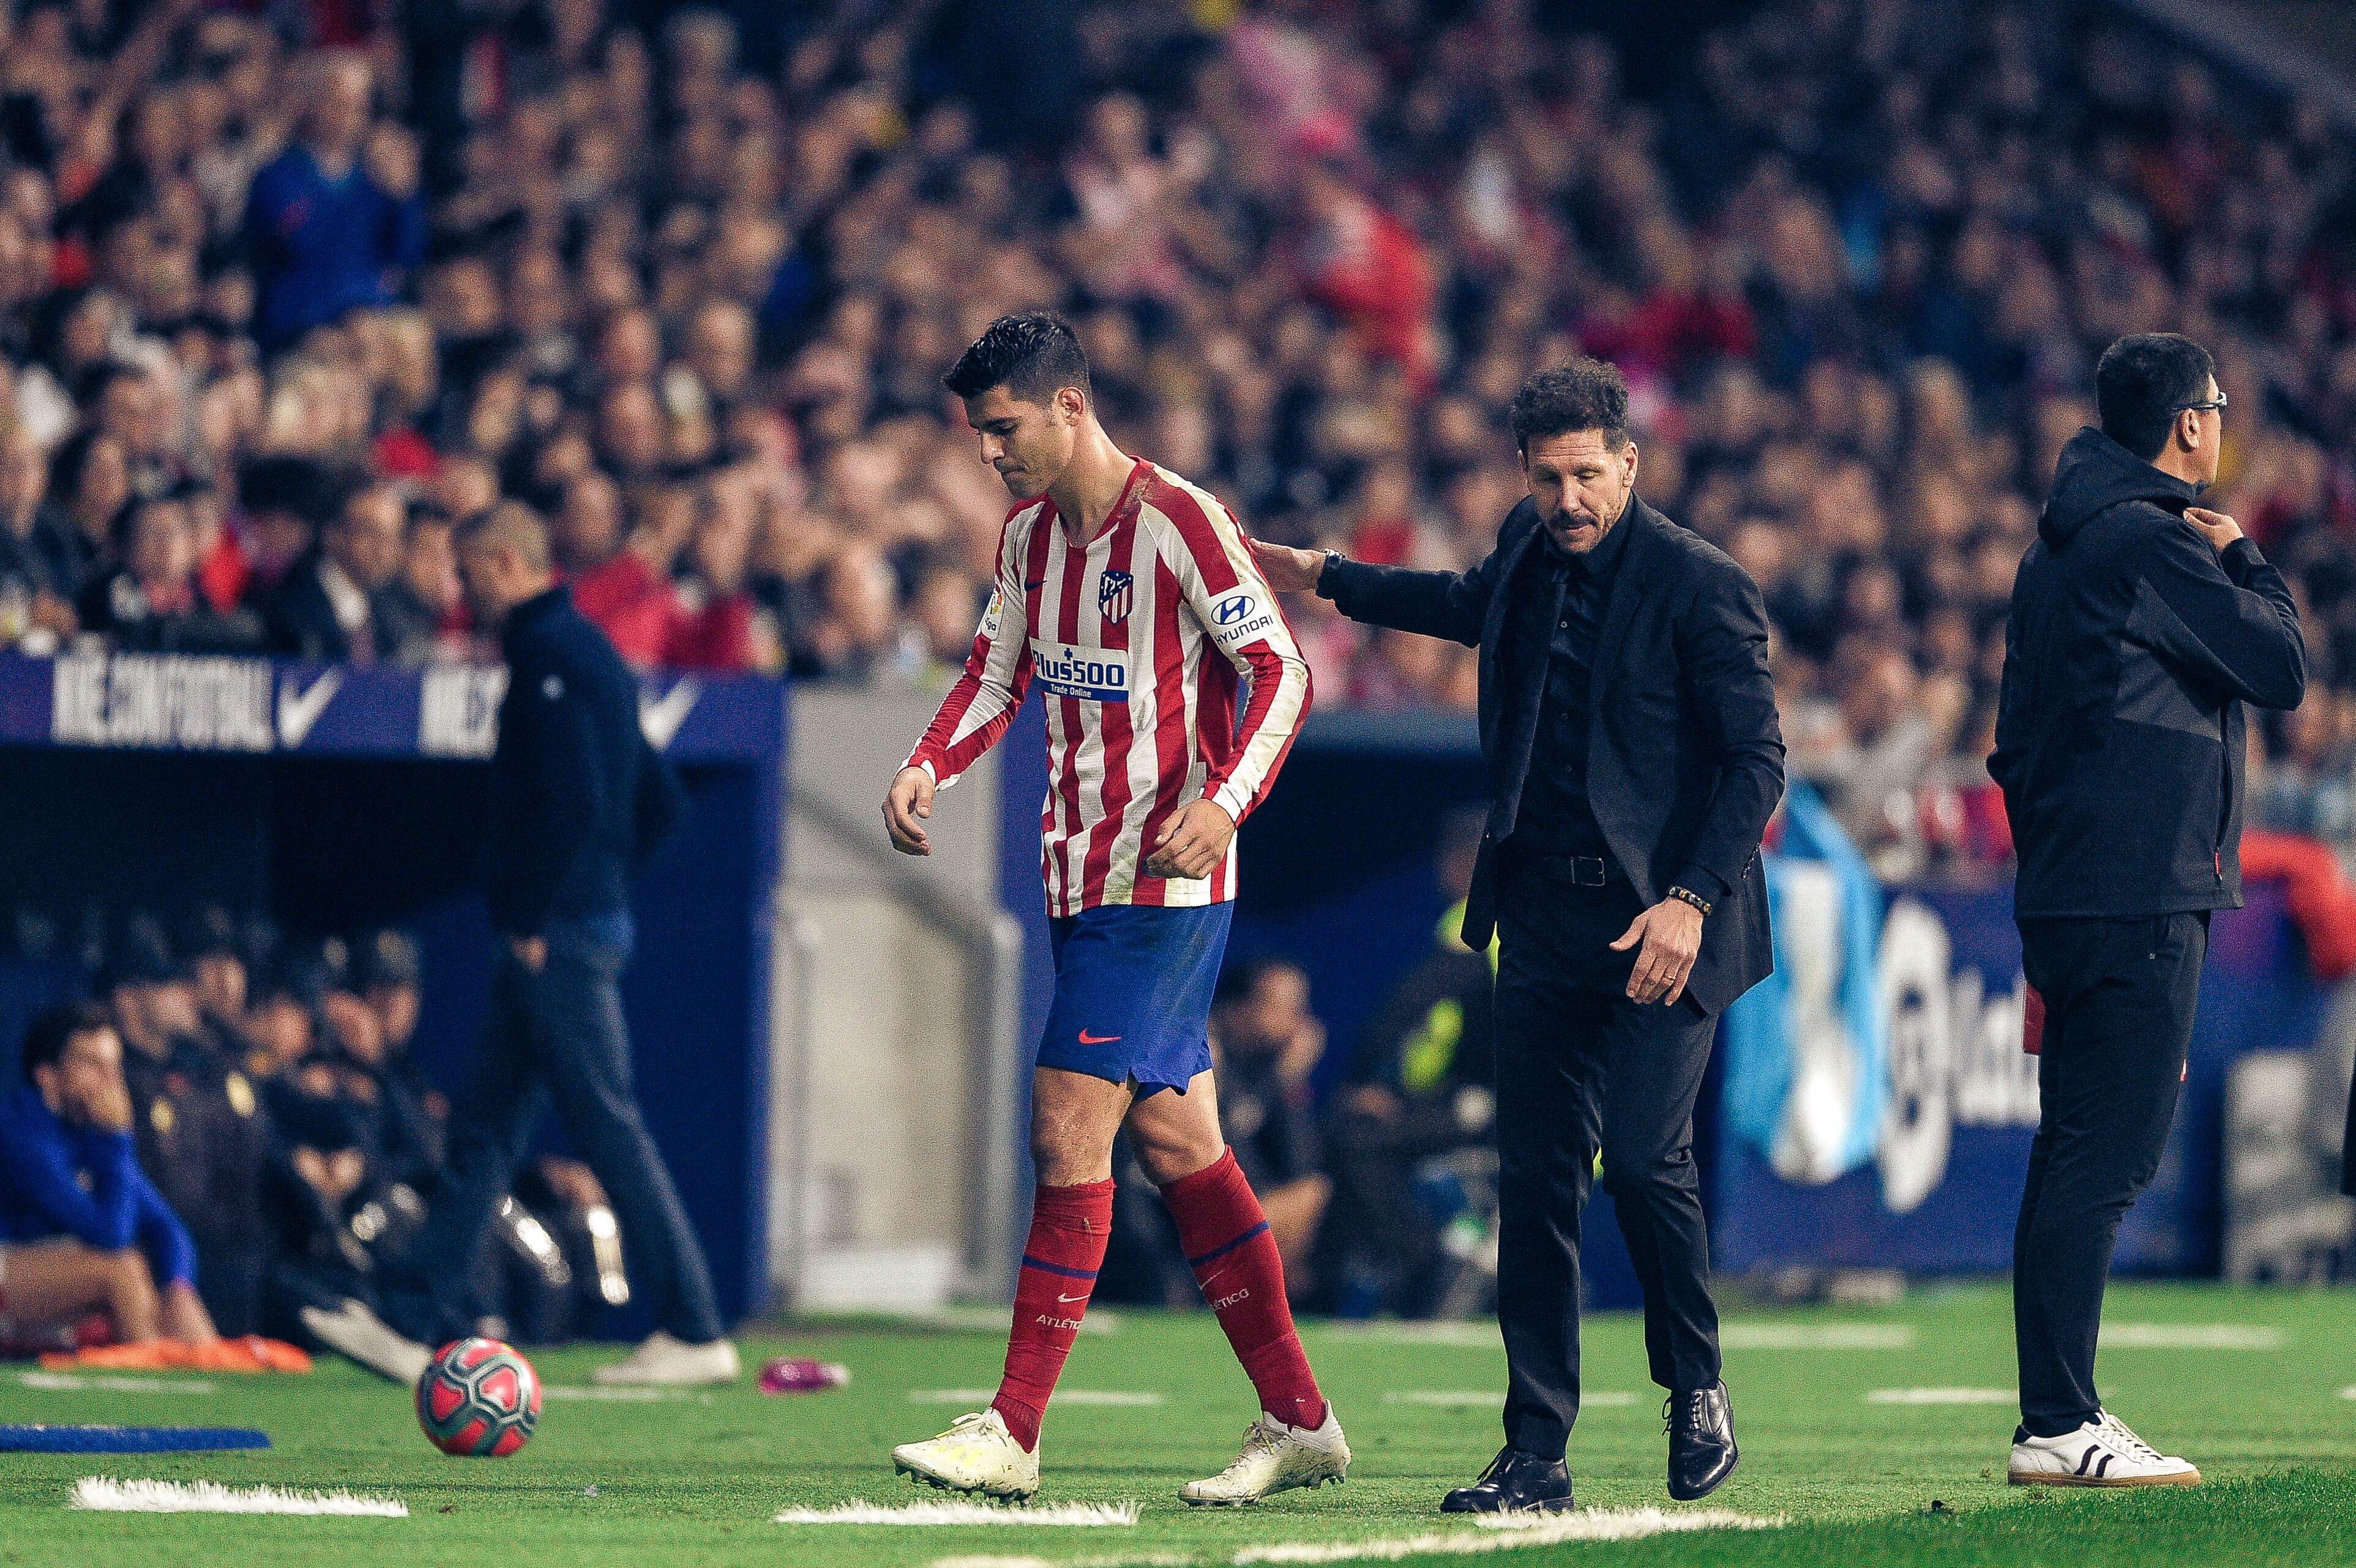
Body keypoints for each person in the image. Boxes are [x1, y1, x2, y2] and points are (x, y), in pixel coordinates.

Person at [1255, 356, 1783, 1512]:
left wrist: (1689, 899)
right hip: (1543, 915)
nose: (1566, 500)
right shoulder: (1528, 549)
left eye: (1585, 474)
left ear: (1628, 464)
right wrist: (1326, 576)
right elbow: (1464, 602)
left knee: (1644, 1164)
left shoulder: (1702, 586)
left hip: (1665, 920)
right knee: (1535, 1178)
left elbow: (1756, 759)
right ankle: (1534, 1451)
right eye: (1545, 479)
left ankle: (1694, 1381)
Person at [880, 312, 1341, 1506]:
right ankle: (1297, 1418)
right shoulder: (1031, 537)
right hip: (1076, 881)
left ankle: (1012, 1429)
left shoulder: (1181, 522)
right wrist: (931, 761)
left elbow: (1280, 671)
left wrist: (1228, 803)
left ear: (1070, 408)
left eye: (1003, 428)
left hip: (1166, 881)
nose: (990, 453)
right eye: (980, 434)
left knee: (1064, 1125)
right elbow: (996, 670)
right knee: (1179, 1141)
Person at [302, 503, 736, 1387]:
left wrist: (546, 912)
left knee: (606, 1126)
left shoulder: (550, 654)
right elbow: (659, 802)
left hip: (554, 939)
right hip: (571, 927)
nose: (461, 594)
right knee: (486, 1132)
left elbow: (574, 803)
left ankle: (693, 1323)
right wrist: (599, 888)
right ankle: (410, 1314)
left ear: (505, 563)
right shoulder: (592, 651)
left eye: (468, 574)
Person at [1989, 333, 2305, 1487]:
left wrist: (2049, 879)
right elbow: (2276, 667)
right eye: (2215, 405)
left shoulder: (2054, 550)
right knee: (2101, 1157)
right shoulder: (2153, 543)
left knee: (2070, 1148)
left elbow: (2009, 744)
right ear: (2185, 424)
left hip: (2072, 889)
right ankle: (2057, 1418)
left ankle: (2054, 1412)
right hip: (2137, 891)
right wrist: (2247, 562)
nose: (2220, 424)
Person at [0, 1002, 219, 1346]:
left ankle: (212, 1379)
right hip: (8, 1263)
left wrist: (179, 1286)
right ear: (48, 1075)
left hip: (47, 1268)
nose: (112, 1081)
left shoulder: (87, 1128)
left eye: (115, 1066)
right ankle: (157, 1386)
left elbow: (168, 1227)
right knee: (123, 1269)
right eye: (93, 1065)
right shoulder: (19, 1128)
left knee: (173, 1291)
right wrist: (118, 1138)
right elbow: (111, 1234)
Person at [265, 480, 406, 662]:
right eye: (371, 532)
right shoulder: (293, 608)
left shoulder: (390, 611)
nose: (384, 548)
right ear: (334, 535)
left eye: (394, 536)